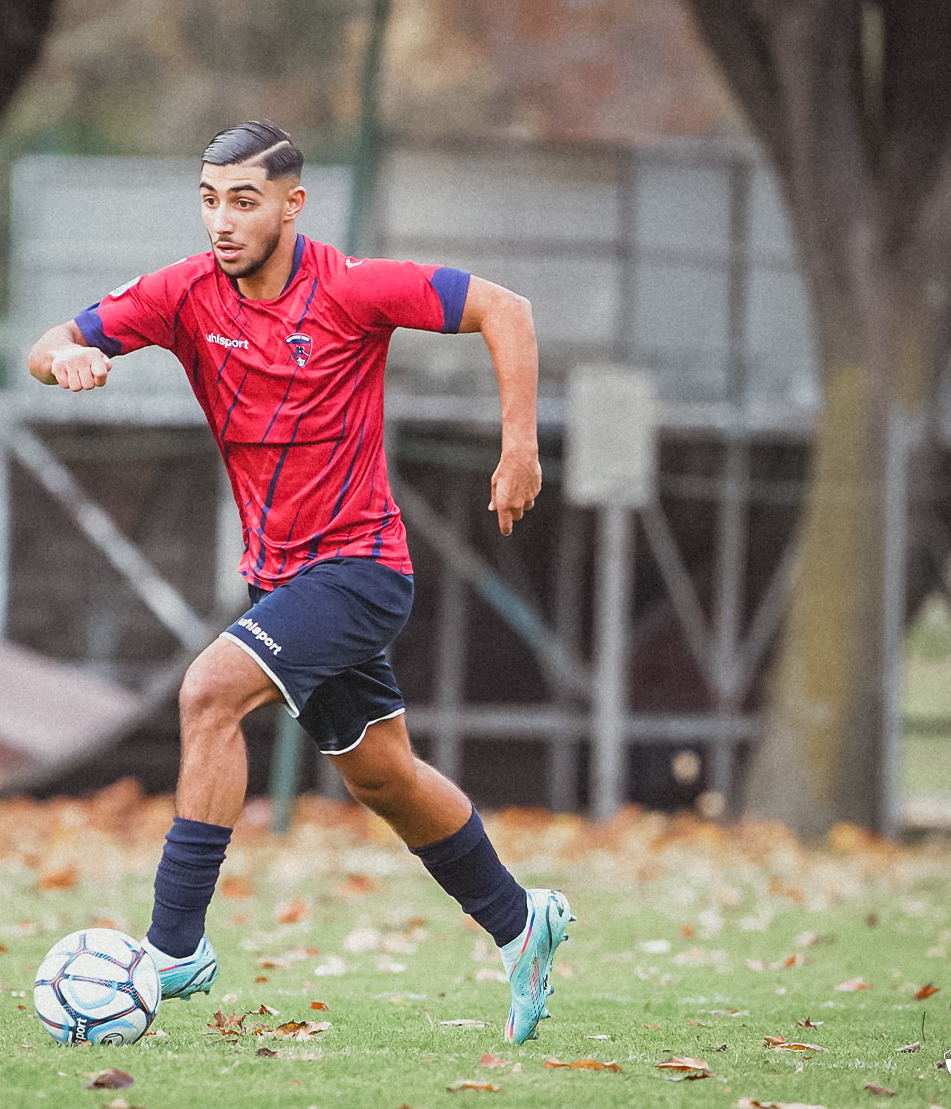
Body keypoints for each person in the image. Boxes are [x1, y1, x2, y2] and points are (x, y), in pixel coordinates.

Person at [28, 120, 574, 1044]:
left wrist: (518, 445)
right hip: (278, 583)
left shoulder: (353, 289)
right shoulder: (181, 295)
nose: (222, 222)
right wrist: (67, 358)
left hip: (360, 569)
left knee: (208, 693)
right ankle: (522, 924)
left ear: (292, 203)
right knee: (385, 776)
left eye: (243, 201)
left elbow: (506, 308)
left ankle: (175, 946)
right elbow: (48, 343)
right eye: (208, 200)